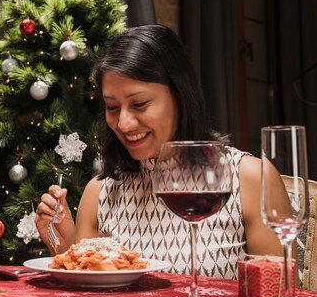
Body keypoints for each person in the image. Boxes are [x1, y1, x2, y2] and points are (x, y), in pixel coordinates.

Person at [35, 24, 282, 279]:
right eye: (112, 107)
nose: (124, 124)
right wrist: (63, 246)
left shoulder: (250, 179)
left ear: (180, 95)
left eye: (139, 104)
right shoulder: (99, 192)